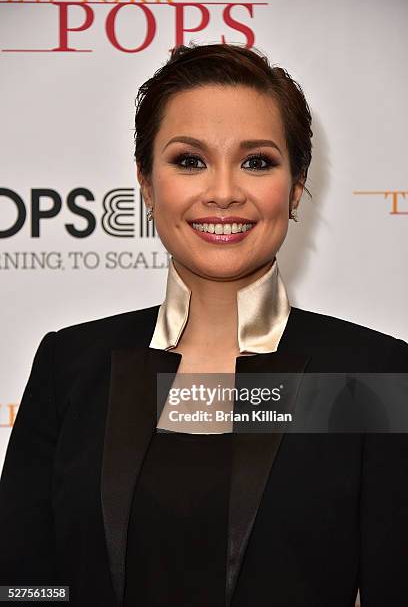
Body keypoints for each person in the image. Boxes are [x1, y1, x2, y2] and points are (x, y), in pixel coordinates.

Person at [0, 42, 407, 607]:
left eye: (257, 161)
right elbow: (22, 584)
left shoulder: (373, 375)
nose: (223, 192)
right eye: (189, 160)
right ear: (145, 182)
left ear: (295, 187)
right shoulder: (70, 365)